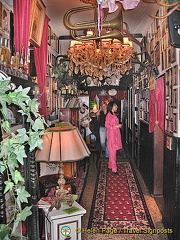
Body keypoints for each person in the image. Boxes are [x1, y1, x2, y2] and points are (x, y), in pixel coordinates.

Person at [105, 101, 122, 175]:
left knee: (113, 151)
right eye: (115, 105)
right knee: (113, 152)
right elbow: (106, 125)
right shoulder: (109, 115)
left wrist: (118, 126)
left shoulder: (113, 114)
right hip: (112, 135)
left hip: (115, 134)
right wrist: (115, 126)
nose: (117, 107)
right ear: (111, 106)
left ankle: (110, 165)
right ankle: (114, 169)